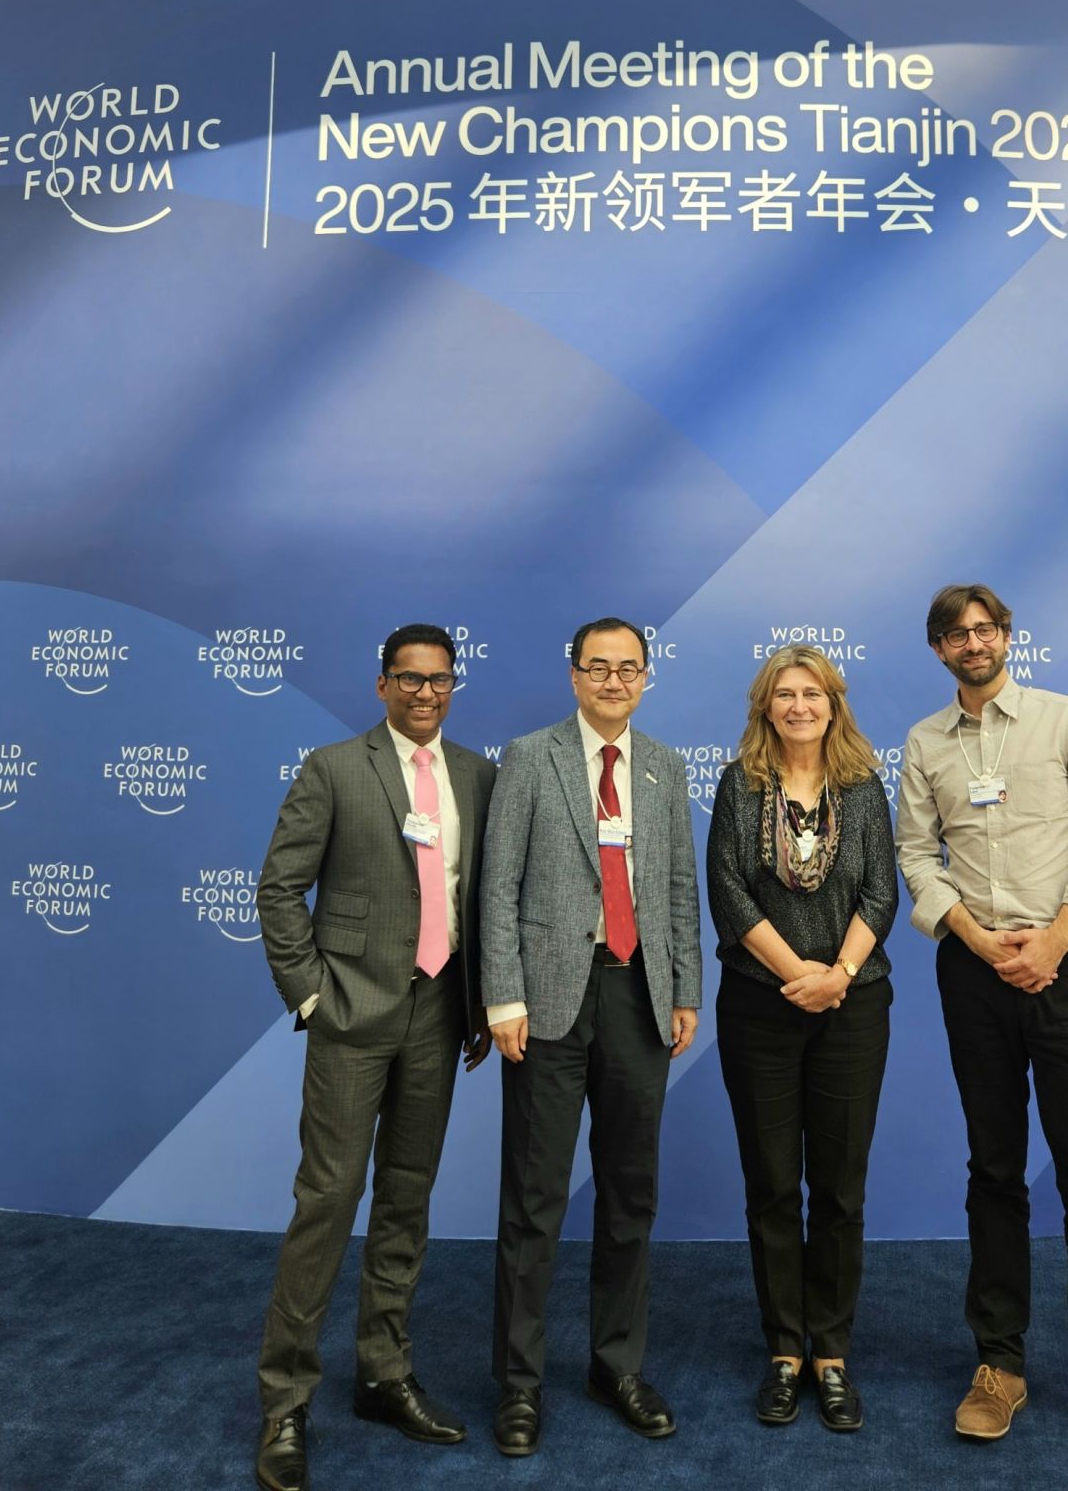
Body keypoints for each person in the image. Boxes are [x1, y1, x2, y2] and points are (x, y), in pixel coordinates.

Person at [896, 584, 1068, 1467]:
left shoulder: (1063, 719)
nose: (972, 643)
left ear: (1006, 637)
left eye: (984, 629)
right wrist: (975, 938)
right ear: (938, 650)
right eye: (955, 634)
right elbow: (914, 855)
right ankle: (998, 1365)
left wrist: (1051, 941)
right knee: (993, 1170)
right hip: (972, 973)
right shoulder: (924, 742)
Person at [253, 624, 497, 1491]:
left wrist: (479, 1002)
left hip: (440, 1013)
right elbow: (279, 889)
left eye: (440, 679)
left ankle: (382, 1374)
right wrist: (312, 996)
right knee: (326, 1200)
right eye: (409, 678)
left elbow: (480, 898)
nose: (426, 693)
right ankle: (285, 1402)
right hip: (351, 1014)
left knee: (405, 1199)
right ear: (382, 684)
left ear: (453, 685)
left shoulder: (477, 775)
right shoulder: (332, 769)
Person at [480, 616, 702, 1456]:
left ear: (646, 678)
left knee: (629, 1193)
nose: (614, 681)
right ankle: (519, 1383)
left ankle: (616, 1365)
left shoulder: (662, 766)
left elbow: (677, 888)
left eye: (628, 668)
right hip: (545, 1003)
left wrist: (684, 989)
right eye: (598, 667)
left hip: (639, 996)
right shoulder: (529, 757)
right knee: (534, 1198)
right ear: (573, 675)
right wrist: (502, 996)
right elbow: (497, 887)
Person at [706, 644, 897, 1432]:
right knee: (773, 1185)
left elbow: (882, 891)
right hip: (761, 1005)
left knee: (840, 1188)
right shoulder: (739, 784)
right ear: (765, 706)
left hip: (853, 1006)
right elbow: (727, 891)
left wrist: (837, 976)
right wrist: (798, 976)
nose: (798, 706)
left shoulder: (862, 786)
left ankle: (832, 1355)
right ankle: (785, 1351)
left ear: (832, 704)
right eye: (783, 693)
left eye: (811, 693)